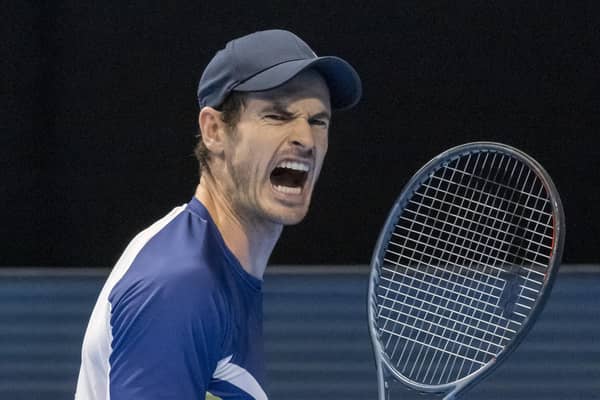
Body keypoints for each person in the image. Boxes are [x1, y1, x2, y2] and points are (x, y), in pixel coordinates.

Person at [75, 29, 362, 400]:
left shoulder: (220, 271)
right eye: (277, 115)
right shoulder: (179, 287)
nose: (305, 140)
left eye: (318, 121)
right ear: (213, 130)